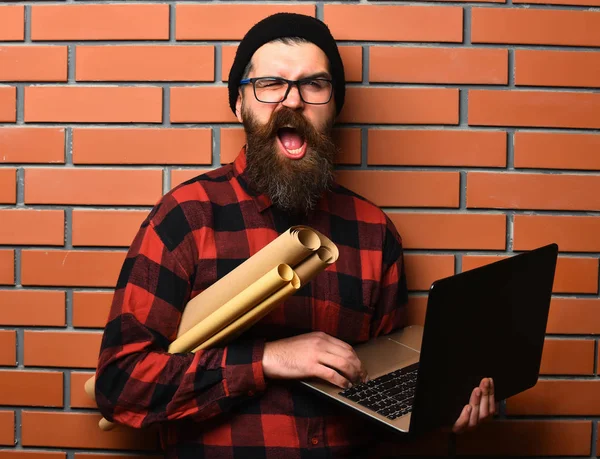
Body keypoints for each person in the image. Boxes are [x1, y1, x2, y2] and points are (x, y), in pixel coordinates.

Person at [95, 13, 495, 458]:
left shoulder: (373, 233)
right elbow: (120, 386)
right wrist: (269, 359)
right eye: (270, 83)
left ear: (333, 105)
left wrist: (441, 412)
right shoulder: (186, 218)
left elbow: (383, 404)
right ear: (239, 104)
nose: (293, 101)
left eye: (314, 84)